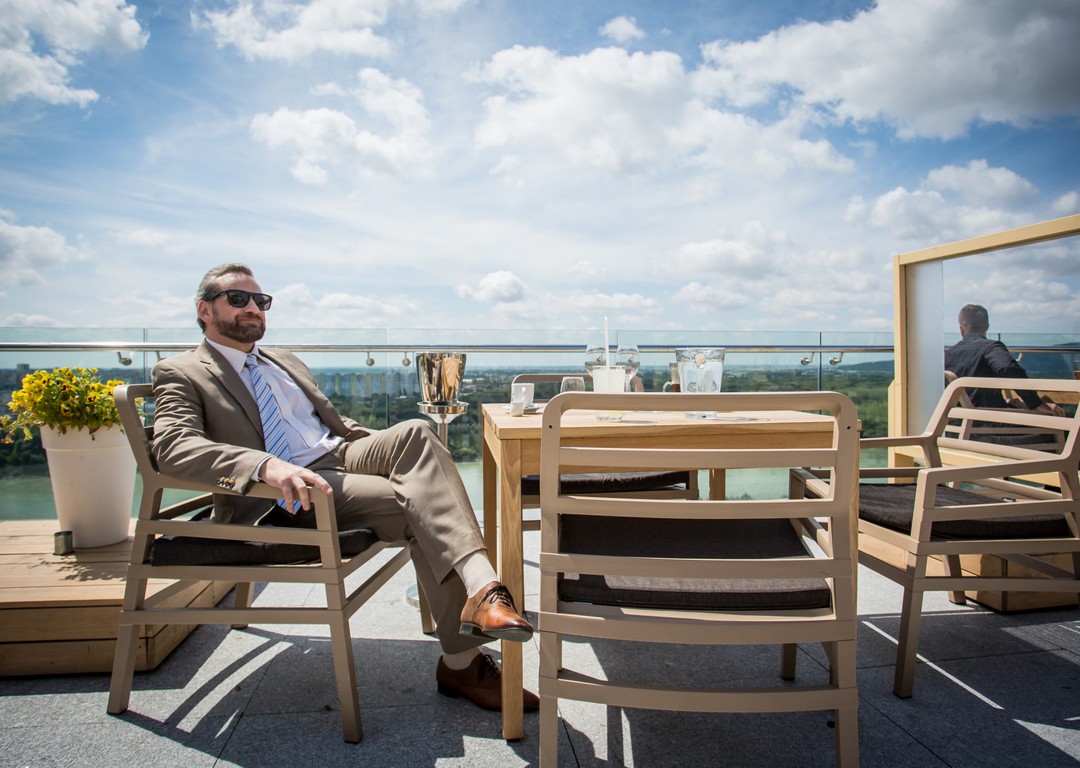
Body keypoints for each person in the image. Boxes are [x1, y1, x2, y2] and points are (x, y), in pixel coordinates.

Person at [151, 263, 537, 712]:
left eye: (261, 300)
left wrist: (381, 445)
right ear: (204, 310)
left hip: (340, 454)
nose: (253, 307)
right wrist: (263, 466)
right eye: (238, 299)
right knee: (420, 504)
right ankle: (461, 663)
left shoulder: (282, 360)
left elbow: (325, 424)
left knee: (416, 433)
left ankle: (483, 589)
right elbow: (173, 447)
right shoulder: (181, 371)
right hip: (289, 491)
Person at [944, 303, 1065, 416]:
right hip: (988, 423)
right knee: (1057, 417)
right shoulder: (990, 348)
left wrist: (1005, 404)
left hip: (954, 422)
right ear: (987, 326)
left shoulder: (948, 354)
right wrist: (1036, 403)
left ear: (961, 328)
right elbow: (1007, 368)